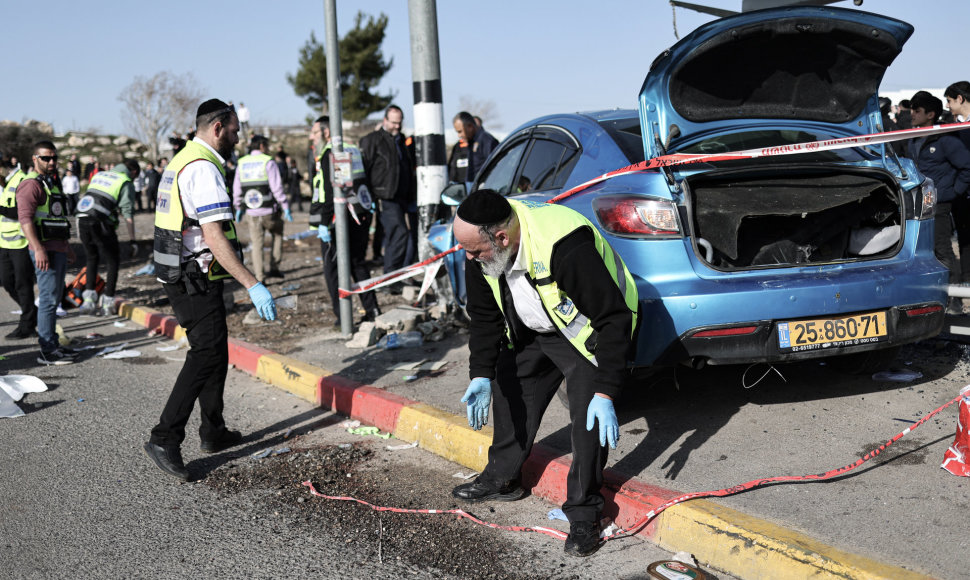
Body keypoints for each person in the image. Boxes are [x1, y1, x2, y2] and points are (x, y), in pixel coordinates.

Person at [450, 189, 638, 557]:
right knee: (509, 386)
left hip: (588, 333)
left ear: (501, 238)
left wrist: (606, 391)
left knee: (587, 420)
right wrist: (480, 373)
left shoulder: (564, 243)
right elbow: (485, 317)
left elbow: (614, 318)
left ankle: (584, 512)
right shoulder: (483, 249)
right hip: (536, 329)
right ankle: (503, 478)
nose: (468, 257)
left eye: (474, 251)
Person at [144, 98, 277, 481]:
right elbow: (214, 235)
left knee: (215, 349)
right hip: (194, 276)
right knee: (206, 352)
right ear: (218, 127)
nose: (238, 137)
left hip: (183, 272)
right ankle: (164, 437)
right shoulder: (203, 169)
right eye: (235, 130)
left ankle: (213, 431)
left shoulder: (183, 158)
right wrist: (253, 284)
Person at [309, 116, 380, 326]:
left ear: (326, 132)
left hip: (337, 220)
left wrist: (323, 221)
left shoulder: (330, 153)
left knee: (332, 271)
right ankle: (372, 309)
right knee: (358, 264)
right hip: (360, 213)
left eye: (314, 133)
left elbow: (333, 190)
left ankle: (343, 318)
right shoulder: (353, 149)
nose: (311, 137)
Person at [907, 92, 970, 314]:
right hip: (917, 204)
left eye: (917, 110)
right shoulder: (913, 137)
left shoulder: (946, 139)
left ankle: (954, 301)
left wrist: (952, 192)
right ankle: (931, 298)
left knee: (942, 250)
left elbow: (966, 166)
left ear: (930, 114)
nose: (912, 114)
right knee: (923, 251)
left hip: (939, 204)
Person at [17, 141, 76, 365]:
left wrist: (67, 246)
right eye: (45, 158)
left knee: (53, 299)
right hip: (45, 251)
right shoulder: (30, 185)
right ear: (35, 159)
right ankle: (47, 351)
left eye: (53, 158)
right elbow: (25, 220)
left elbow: (57, 218)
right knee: (49, 300)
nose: (51, 162)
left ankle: (54, 344)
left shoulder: (49, 183)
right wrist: (39, 248)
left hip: (57, 249)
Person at [75, 159, 140, 316]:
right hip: (100, 222)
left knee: (92, 258)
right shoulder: (125, 182)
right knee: (113, 260)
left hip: (81, 217)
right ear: (133, 172)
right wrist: (133, 240)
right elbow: (127, 212)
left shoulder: (100, 175)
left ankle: (89, 300)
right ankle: (107, 301)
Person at [360, 105, 417, 278]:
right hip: (384, 196)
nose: (397, 127)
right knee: (399, 233)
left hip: (401, 197)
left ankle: (397, 275)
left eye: (399, 123)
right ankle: (391, 276)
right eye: (393, 123)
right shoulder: (373, 140)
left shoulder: (401, 141)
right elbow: (364, 169)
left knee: (398, 236)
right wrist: (367, 197)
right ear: (385, 121)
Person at [232, 134, 292, 281]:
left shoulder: (242, 162)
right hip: (269, 211)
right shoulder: (268, 162)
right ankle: (274, 267)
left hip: (251, 212)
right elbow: (277, 188)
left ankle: (260, 277)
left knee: (257, 244)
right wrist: (285, 206)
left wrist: (238, 207)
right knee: (277, 234)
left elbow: (237, 189)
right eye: (266, 145)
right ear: (261, 146)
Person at [0, 161, 37, 339]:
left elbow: (20, 212)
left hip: (21, 243)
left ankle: (27, 325)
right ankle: (30, 310)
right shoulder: (6, 183)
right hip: (5, 243)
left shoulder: (21, 180)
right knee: (7, 282)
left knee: (23, 284)